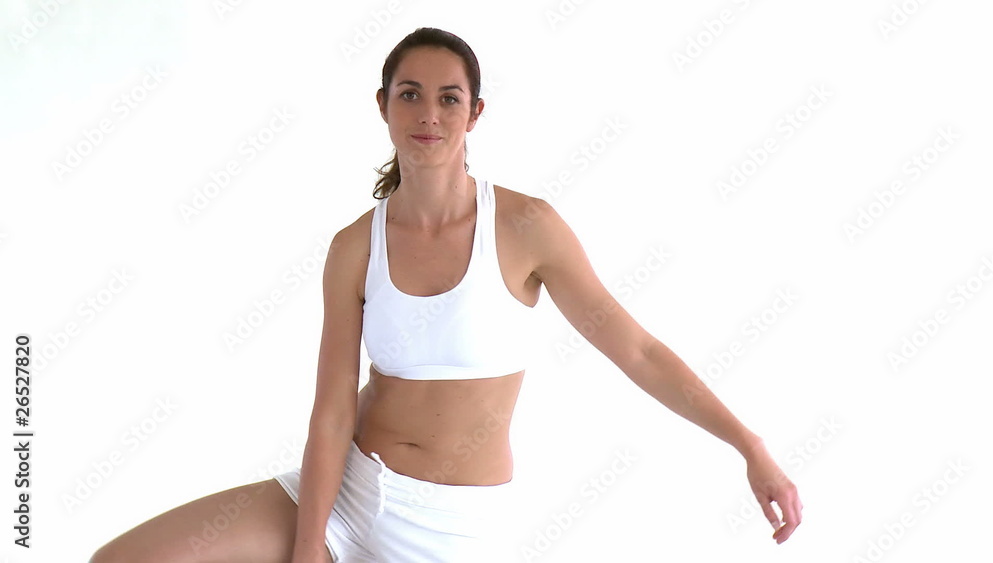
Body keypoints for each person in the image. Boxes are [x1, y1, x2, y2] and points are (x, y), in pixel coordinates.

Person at [89, 26, 802, 563]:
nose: (428, 113)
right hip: (345, 493)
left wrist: (750, 445)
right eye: (410, 94)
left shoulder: (525, 227)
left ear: (475, 112)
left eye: (448, 97)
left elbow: (638, 351)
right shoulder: (354, 246)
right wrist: (308, 546)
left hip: (454, 530)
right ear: (383, 105)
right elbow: (332, 410)